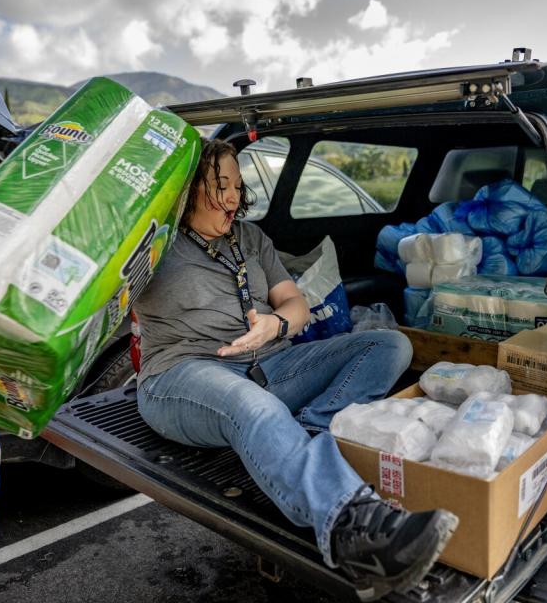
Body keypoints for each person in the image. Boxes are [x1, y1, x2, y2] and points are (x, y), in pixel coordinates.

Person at [133, 138, 457, 600]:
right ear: (186, 192)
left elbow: (294, 301)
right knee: (253, 405)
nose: (231, 198)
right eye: (218, 186)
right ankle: (354, 530)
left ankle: (304, 435)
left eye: (237, 187)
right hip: (184, 374)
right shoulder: (155, 244)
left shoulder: (249, 238)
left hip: (269, 363)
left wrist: (277, 323)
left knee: (389, 345)